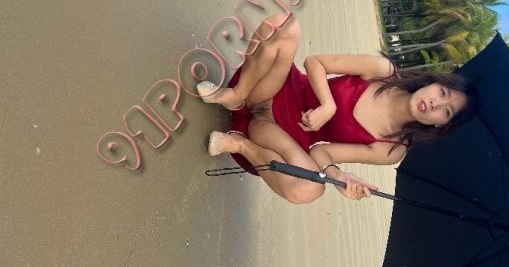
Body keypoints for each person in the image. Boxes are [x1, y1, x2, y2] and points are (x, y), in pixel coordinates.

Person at [197, 13, 479, 204]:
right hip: (273, 86)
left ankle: (239, 144)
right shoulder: (383, 71)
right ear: (434, 82)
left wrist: (339, 176)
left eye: (446, 112)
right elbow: (315, 62)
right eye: (443, 92)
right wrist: (328, 105)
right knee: (285, 24)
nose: (435, 103)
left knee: (308, 190)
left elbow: (322, 153)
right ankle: (236, 96)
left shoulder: (391, 149)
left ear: (440, 125)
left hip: (277, 135)